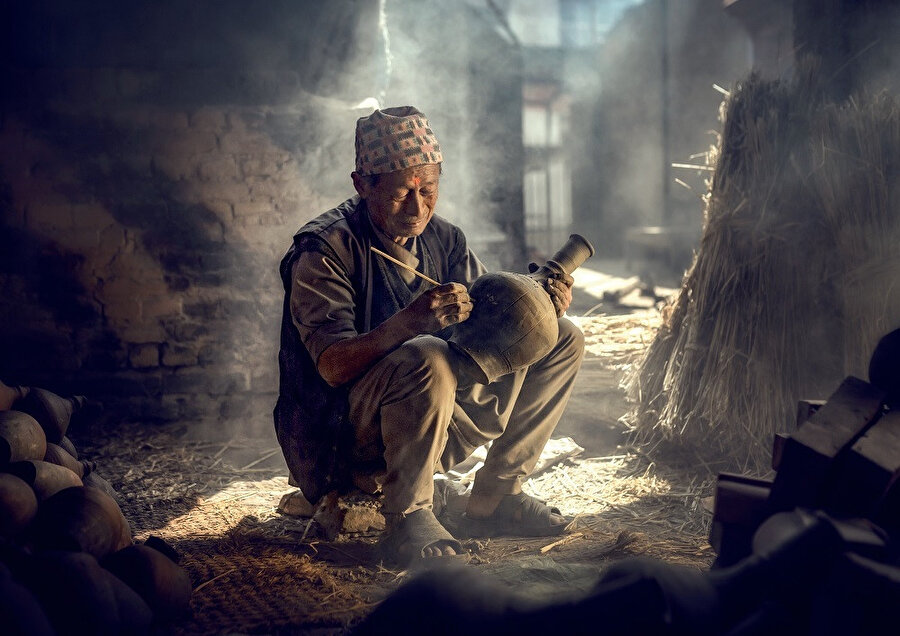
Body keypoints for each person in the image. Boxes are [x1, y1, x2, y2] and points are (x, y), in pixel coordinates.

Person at [274, 106, 585, 565]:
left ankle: (495, 497)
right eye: (402, 193)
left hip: (427, 420)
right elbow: (332, 366)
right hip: (340, 434)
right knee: (427, 354)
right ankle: (408, 517)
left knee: (560, 338)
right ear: (362, 185)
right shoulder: (324, 250)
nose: (417, 207)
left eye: (428, 189)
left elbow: (489, 322)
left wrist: (540, 303)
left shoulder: (445, 240)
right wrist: (409, 322)